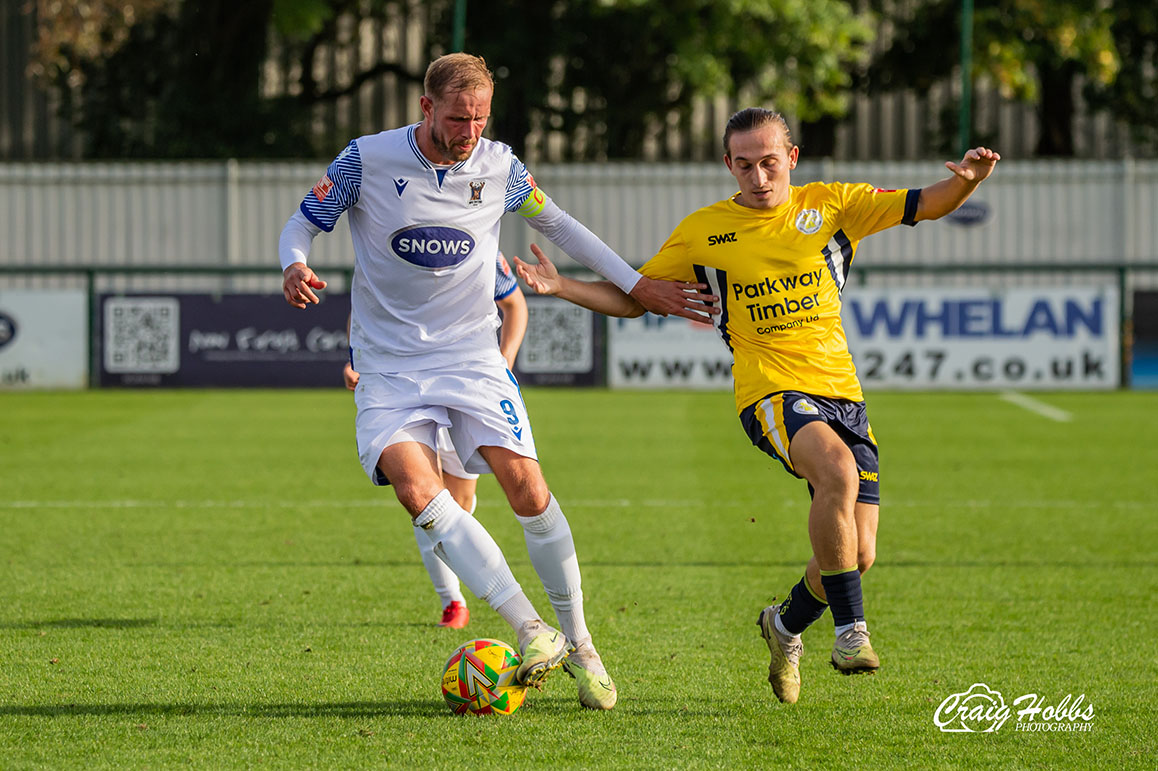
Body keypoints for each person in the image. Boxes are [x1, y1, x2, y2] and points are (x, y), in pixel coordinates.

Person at [514, 107, 1000, 705]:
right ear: (728, 165)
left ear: (791, 158)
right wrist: (562, 286)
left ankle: (785, 624)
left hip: (843, 394)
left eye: (770, 162)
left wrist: (968, 182)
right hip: (769, 391)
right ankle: (851, 634)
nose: (759, 176)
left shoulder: (834, 204)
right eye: (744, 165)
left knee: (857, 552)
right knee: (837, 473)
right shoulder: (704, 231)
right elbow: (637, 296)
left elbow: (926, 201)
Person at [279, 52, 714, 710]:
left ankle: (581, 642)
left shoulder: (501, 167)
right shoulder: (365, 159)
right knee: (416, 488)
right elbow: (302, 223)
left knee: (527, 487)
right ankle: (529, 627)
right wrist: (294, 263)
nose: (469, 132)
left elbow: (562, 226)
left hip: (472, 357)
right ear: (425, 108)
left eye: (480, 118)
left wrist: (636, 283)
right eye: (457, 118)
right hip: (389, 367)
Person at [342, 253, 529, 630]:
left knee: (460, 504)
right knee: (427, 502)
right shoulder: (388, 239)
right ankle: (453, 601)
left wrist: (504, 361)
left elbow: (514, 304)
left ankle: (477, 590)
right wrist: (356, 357)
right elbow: (362, 308)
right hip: (404, 385)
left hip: (465, 386)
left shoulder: (478, 245)